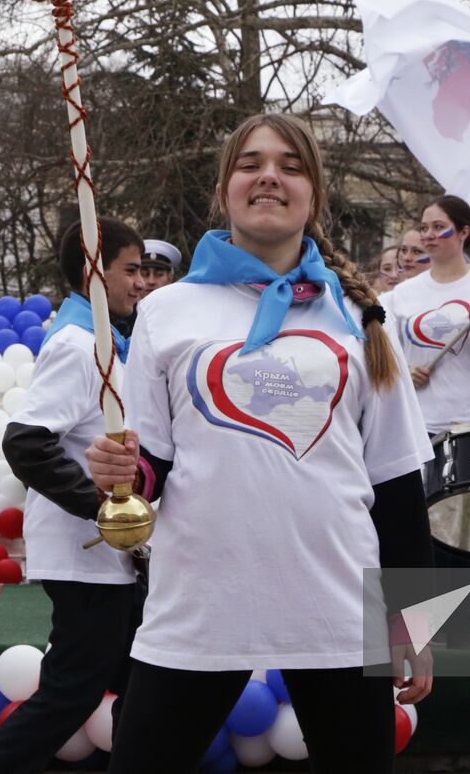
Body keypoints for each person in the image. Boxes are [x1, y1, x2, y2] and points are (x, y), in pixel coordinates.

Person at [84, 111, 434, 774]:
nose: (269, 175)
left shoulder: (361, 319)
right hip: (200, 605)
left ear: (314, 195)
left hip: (338, 609)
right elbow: (152, 461)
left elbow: (396, 484)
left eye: (290, 166)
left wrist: (412, 626)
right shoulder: (166, 309)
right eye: (250, 163)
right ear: (224, 190)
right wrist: (120, 474)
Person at [0, 217, 147, 774]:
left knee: (139, 678)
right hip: (86, 552)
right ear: (95, 273)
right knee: (73, 690)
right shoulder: (79, 343)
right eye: (131, 270)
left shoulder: (109, 339)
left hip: (114, 555)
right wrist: (104, 509)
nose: (142, 282)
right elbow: (26, 442)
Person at [382, 195, 470, 433]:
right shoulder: (401, 294)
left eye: (439, 227)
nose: (429, 235)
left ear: (463, 232)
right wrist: (403, 372)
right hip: (420, 426)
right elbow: (381, 358)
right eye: (424, 228)